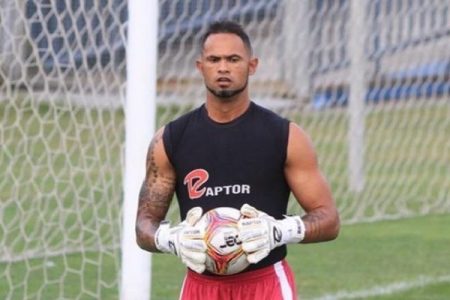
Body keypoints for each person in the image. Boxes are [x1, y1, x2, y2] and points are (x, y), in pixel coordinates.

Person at [135, 20, 340, 300]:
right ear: (200, 66)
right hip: (200, 286)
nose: (223, 68)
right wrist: (170, 238)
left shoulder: (286, 136)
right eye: (214, 59)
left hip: (265, 283)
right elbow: (144, 225)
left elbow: (328, 219)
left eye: (233, 59)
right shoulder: (170, 139)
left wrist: (280, 231)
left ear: (252, 65)